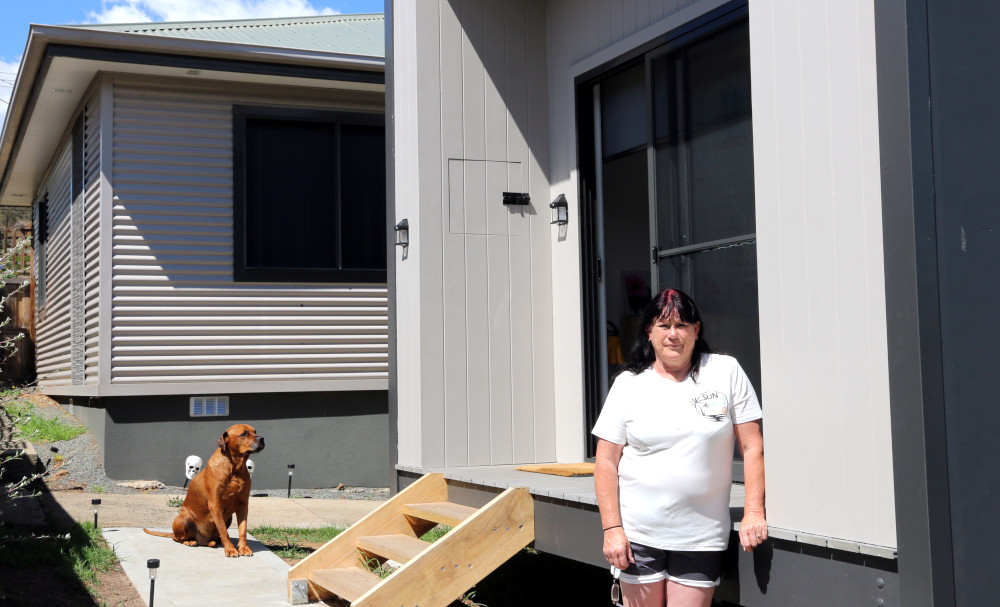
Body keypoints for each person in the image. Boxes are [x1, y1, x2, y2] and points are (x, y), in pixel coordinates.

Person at [593, 288, 765, 607]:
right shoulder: (628, 384)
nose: (674, 335)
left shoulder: (725, 372)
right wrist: (612, 528)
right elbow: (605, 460)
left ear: (696, 330)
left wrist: (754, 511)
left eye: (682, 325)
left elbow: (752, 446)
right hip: (637, 535)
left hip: (701, 536)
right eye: (664, 325)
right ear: (649, 331)